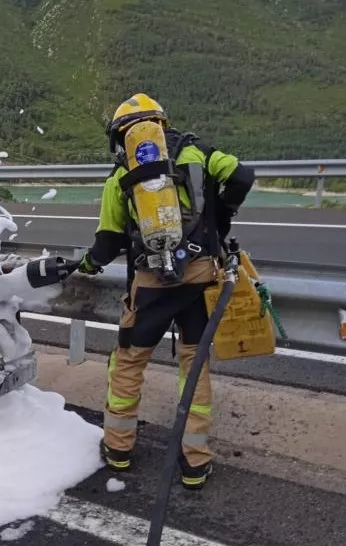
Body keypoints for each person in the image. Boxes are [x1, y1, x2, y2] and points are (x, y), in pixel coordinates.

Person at [77, 93, 255, 490]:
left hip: (152, 285)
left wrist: (87, 265)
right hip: (200, 278)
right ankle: (194, 464)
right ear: (162, 122)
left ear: (120, 135)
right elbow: (242, 176)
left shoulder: (122, 172)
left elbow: (107, 242)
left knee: (127, 362)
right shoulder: (198, 152)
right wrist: (221, 214)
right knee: (195, 366)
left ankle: (119, 450)